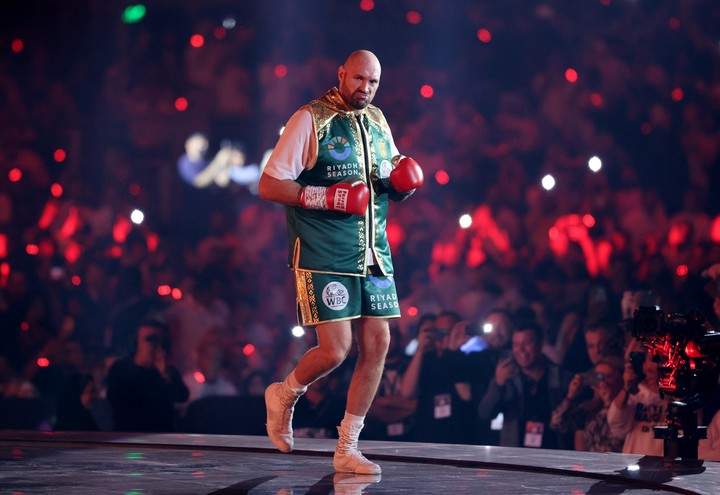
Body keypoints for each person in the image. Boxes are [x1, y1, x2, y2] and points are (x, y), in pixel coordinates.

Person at [257, 49, 424, 475]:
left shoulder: (379, 121)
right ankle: (284, 395)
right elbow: (269, 184)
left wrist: (399, 184)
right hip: (323, 252)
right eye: (358, 79)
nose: (364, 88)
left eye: (373, 82)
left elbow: (381, 178)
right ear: (341, 75)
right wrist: (323, 195)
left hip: (373, 252)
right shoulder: (309, 119)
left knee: (380, 344)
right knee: (336, 350)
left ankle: (347, 447)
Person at [106, 319, 189, 432]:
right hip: (128, 436)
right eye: (151, 339)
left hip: (162, 438)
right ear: (136, 343)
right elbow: (116, 399)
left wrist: (165, 374)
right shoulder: (120, 368)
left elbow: (182, 396)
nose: (157, 346)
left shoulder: (168, 372)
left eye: (160, 341)